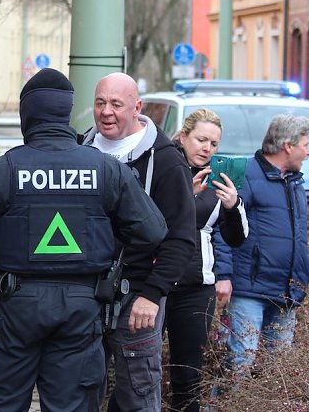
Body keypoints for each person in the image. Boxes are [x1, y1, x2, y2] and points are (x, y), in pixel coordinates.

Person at [0, 68, 168, 412]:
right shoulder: (106, 170)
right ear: (66, 113)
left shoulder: (3, 170)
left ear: (26, 114)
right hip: (82, 309)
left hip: (17, 309)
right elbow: (154, 232)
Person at [79, 72, 196, 411]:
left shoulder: (167, 161)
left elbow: (181, 237)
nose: (107, 112)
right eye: (100, 103)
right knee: (76, 393)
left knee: (138, 397)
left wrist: (153, 293)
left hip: (137, 302)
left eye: (116, 104)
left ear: (137, 107)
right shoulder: (80, 150)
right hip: (82, 297)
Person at [164, 109, 249, 412]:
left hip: (196, 286)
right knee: (140, 370)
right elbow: (148, 223)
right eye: (201, 140)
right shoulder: (163, 166)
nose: (207, 149)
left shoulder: (216, 179)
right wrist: (186, 196)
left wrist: (233, 205)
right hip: (156, 281)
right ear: (184, 136)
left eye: (214, 144)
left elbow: (237, 238)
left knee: (189, 375)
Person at [218, 114, 309, 375]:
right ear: (288, 145)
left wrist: (304, 272)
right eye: (305, 144)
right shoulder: (247, 175)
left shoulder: (295, 182)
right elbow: (224, 227)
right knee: (240, 363)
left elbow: (297, 236)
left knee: (278, 373)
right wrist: (224, 275)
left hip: (286, 292)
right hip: (249, 290)